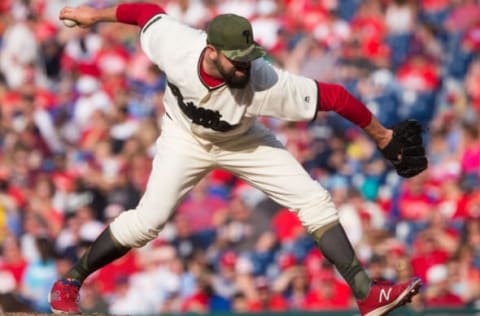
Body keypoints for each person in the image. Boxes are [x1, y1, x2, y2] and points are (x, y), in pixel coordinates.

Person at [49, 2, 428, 315]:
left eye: (248, 58)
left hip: (244, 142)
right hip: (184, 138)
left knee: (313, 200)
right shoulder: (177, 45)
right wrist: (94, 15)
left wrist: (382, 135)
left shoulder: (262, 80)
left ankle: (366, 293)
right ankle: (71, 281)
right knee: (147, 223)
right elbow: (146, 12)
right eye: (236, 60)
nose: (244, 67)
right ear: (211, 51)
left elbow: (336, 96)